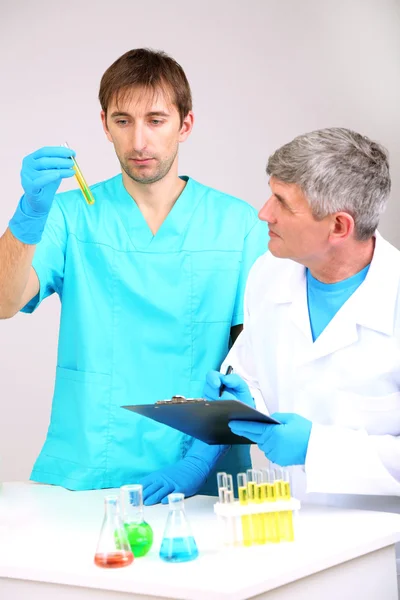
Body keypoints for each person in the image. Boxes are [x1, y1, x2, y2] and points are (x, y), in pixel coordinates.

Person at [0, 48, 268, 501]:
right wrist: (27, 217)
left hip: (203, 470)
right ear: (104, 125)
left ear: (185, 125)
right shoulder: (69, 215)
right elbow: (4, 302)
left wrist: (198, 462)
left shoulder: (239, 224)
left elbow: (254, 362)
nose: (139, 142)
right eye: (123, 121)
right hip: (91, 462)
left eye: (156, 120)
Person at [204, 127, 400, 580]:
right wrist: (243, 396)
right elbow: (254, 368)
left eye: (283, 203)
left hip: (380, 559)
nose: (263, 213)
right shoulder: (269, 273)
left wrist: (317, 447)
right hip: (285, 541)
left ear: (339, 226)